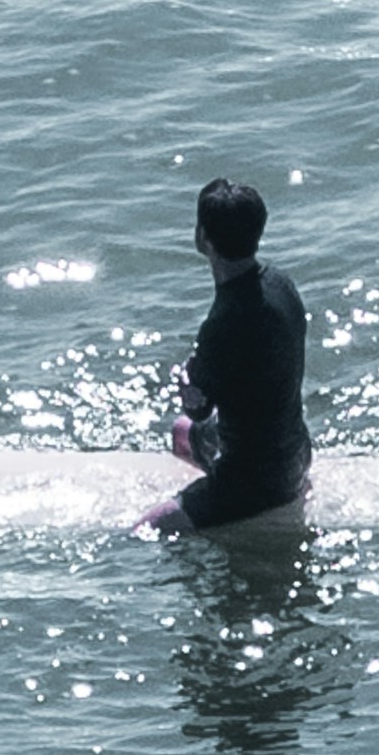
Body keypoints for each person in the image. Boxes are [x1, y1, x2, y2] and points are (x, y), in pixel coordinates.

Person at [144, 174, 311, 538]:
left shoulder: (223, 323)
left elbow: (198, 409)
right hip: (296, 453)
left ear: (203, 237)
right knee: (181, 435)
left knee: (148, 528)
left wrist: (186, 378)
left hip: (255, 483)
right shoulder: (281, 284)